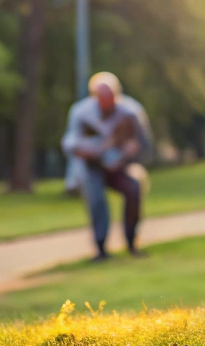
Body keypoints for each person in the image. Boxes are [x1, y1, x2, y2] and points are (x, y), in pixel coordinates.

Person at [61, 72, 153, 260]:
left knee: (133, 189)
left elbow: (144, 144)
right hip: (91, 166)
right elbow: (69, 143)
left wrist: (128, 154)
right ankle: (101, 249)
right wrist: (89, 153)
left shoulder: (130, 112)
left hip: (119, 166)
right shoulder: (81, 112)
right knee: (96, 200)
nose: (106, 102)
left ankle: (131, 242)